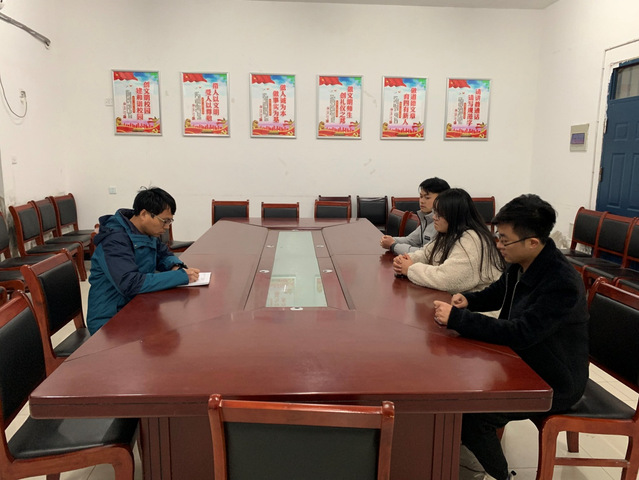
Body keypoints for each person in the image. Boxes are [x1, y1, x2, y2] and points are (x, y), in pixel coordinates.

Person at [432, 194, 589, 480]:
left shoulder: (561, 283)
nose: (498, 244)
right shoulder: (523, 261)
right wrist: (468, 301)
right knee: (454, 383)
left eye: (504, 239)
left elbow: (521, 333)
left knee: (471, 415)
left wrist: (458, 319)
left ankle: (502, 476)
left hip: (553, 380)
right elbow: (499, 292)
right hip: (521, 362)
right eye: (498, 236)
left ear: (533, 242)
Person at [87, 187, 200, 334]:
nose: (167, 227)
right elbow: (130, 283)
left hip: (137, 304)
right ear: (144, 214)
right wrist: (180, 276)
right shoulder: (114, 240)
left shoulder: (145, 231)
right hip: (111, 320)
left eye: (170, 221)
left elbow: (163, 254)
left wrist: (175, 266)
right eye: (164, 221)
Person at [392, 188, 503, 294]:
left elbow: (448, 280)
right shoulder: (448, 233)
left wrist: (410, 269)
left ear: (454, 216)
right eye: (435, 212)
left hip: (476, 304)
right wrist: (406, 260)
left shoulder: (471, 239)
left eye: (439, 214)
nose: (434, 217)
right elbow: (426, 254)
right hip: (455, 300)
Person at [380, 177, 450, 254]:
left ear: (443, 200)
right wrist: (390, 240)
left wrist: (393, 245)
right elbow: (411, 240)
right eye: (421, 196)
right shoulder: (427, 219)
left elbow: (426, 254)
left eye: (427, 198)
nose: (422, 201)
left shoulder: (442, 224)